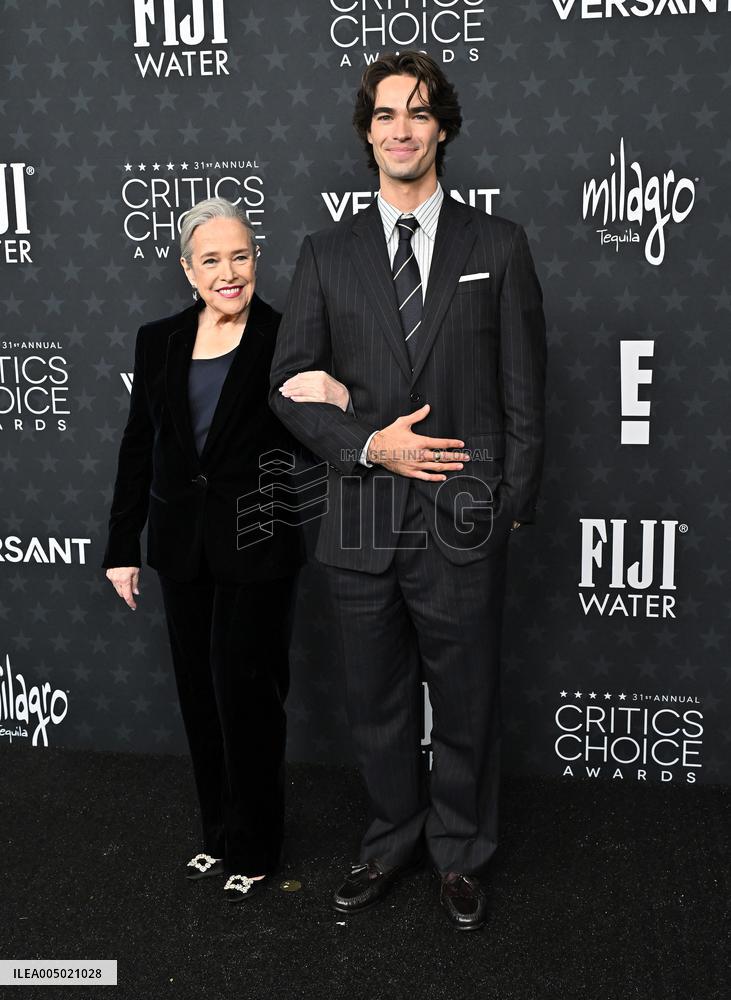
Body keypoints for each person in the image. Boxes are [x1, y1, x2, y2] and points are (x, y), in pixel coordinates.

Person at [270, 52, 546, 930]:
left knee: (465, 703)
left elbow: (525, 397)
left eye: (418, 113)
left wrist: (505, 509)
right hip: (357, 521)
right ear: (366, 132)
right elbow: (288, 385)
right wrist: (367, 446)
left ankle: (460, 851)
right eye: (385, 113)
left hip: (463, 524)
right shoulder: (325, 254)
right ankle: (390, 839)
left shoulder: (496, 246)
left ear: (442, 129)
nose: (400, 127)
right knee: (377, 703)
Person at [103, 197, 309, 903]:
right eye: (213, 259)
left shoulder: (287, 336)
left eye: (241, 256)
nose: (230, 272)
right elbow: (141, 444)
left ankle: (255, 848)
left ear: (256, 260)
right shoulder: (156, 339)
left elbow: (314, 432)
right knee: (198, 694)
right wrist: (121, 545)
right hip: (180, 545)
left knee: (247, 695)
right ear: (188, 268)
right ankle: (217, 834)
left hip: (259, 541)